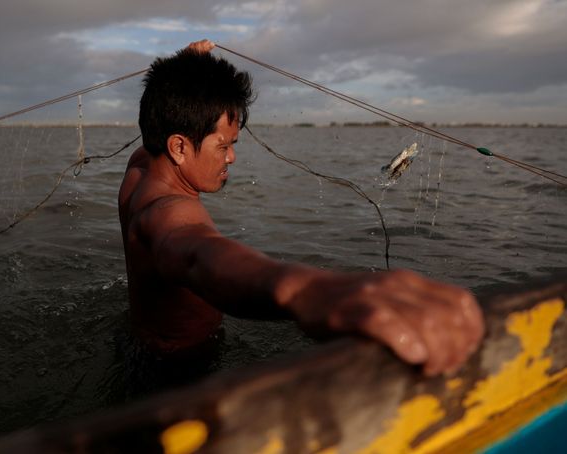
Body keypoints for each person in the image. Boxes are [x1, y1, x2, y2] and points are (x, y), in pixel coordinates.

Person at [118, 40, 484, 376]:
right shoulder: (168, 210)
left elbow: (164, 118)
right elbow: (197, 255)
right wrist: (308, 291)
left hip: (139, 347)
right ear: (179, 147)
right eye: (223, 145)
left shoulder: (141, 170)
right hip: (179, 372)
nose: (231, 156)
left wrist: (185, 70)